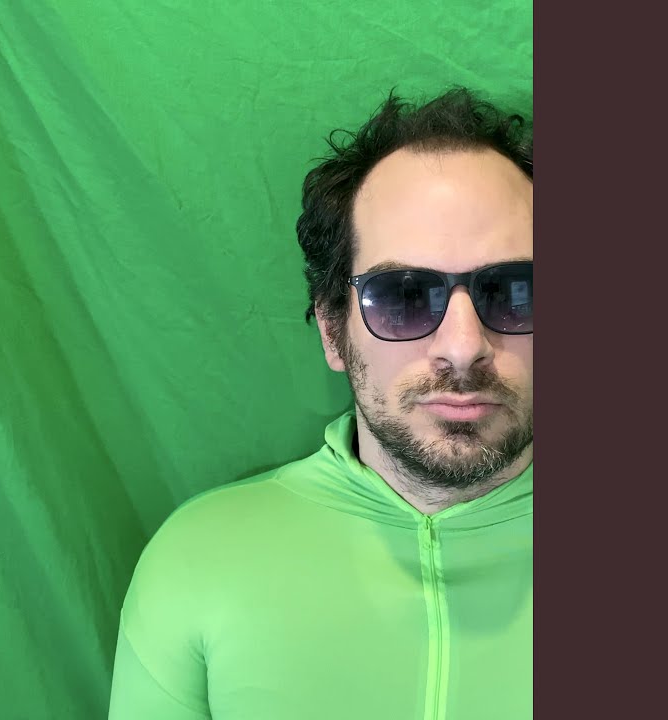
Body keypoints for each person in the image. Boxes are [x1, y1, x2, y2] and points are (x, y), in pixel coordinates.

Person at [108, 88, 534, 719]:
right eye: (403, 295)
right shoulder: (197, 560)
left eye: (517, 289)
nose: (464, 347)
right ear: (334, 332)